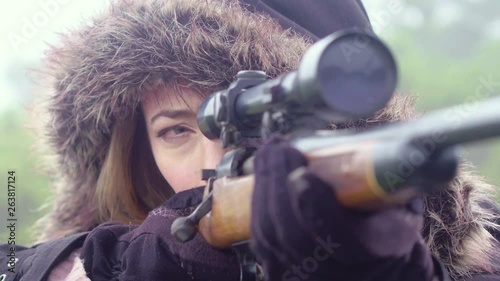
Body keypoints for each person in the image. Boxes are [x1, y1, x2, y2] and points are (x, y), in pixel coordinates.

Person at [1, 0, 499, 280]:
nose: (218, 157)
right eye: (176, 130)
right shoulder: (111, 256)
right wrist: (111, 266)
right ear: (133, 152)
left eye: (272, 124)